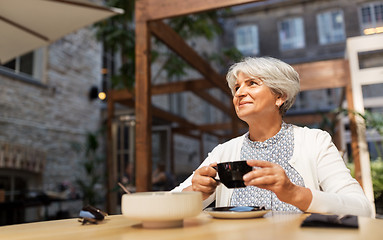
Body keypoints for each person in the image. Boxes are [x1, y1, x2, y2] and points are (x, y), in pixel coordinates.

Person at [172, 57, 373, 217]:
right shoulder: (223, 151)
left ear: (280, 96)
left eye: (251, 83)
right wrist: (196, 192)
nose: (239, 93)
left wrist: (294, 193)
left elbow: (361, 208)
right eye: (237, 88)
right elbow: (168, 202)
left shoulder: (315, 141)